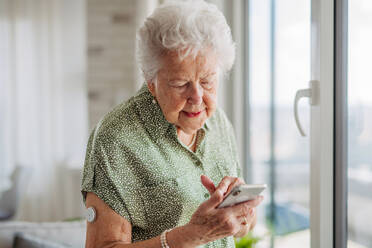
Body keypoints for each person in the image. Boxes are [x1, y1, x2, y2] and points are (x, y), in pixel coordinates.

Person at [81, 1, 263, 247]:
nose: (197, 97)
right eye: (180, 84)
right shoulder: (116, 138)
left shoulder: (218, 122)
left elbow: (242, 230)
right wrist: (191, 235)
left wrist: (241, 213)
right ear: (151, 80)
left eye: (208, 81)